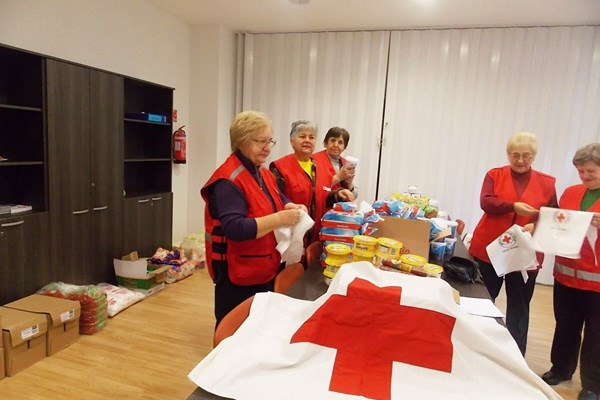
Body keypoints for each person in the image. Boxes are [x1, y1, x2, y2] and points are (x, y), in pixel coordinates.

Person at [201, 111, 306, 327]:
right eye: (261, 141)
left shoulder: (262, 172)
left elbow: (276, 196)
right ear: (241, 141)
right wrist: (280, 218)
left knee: (257, 326)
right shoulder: (227, 181)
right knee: (235, 332)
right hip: (237, 273)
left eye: (270, 141)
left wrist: (288, 204)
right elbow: (236, 228)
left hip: (262, 265)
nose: (267, 147)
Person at [469, 132, 557, 355]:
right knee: (483, 300)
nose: (520, 160)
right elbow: (486, 202)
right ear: (508, 154)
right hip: (489, 249)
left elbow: (551, 215)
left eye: (526, 155)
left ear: (534, 156)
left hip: (525, 253)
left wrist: (535, 227)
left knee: (519, 306)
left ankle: (515, 355)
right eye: (515, 155)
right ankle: (477, 348)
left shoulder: (547, 183)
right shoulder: (494, 175)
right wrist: (513, 206)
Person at [541, 143, 600, 400]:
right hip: (565, 274)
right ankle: (561, 369)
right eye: (580, 171)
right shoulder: (570, 192)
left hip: (597, 283)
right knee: (565, 326)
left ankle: (593, 385)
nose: (585, 177)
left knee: (596, 335)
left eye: (591, 171)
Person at [270, 120, 354, 244]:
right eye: (302, 136)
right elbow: (274, 200)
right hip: (290, 236)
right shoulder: (279, 167)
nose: (307, 140)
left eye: (311, 137)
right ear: (292, 141)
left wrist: (338, 194)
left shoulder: (321, 166)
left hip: (316, 235)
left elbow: (321, 196)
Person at [312, 126, 359, 199]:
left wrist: (349, 183)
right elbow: (313, 189)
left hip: (340, 208)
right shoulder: (314, 160)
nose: (336, 145)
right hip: (321, 207)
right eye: (333, 140)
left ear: (345, 147)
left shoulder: (345, 163)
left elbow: (353, 196)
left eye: (340, 142)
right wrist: (338, 177)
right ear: (325, 143)